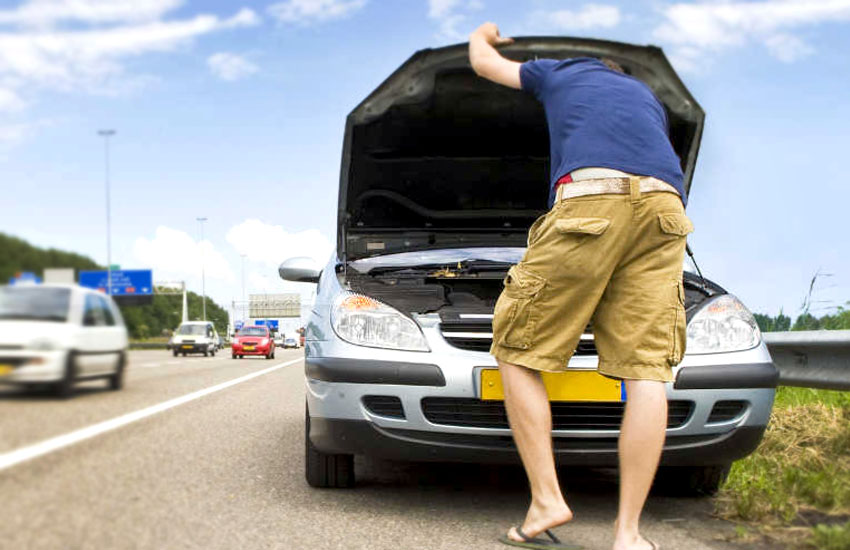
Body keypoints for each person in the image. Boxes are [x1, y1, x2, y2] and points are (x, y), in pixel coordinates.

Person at [468, 22, 694, 550]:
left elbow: (482, 64)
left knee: (518, 349)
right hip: (665, 209)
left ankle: (546, 499)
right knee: (646, 372)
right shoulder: (646, 97)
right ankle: (629, 534)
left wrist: (484, 33)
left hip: (592, 199)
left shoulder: (560, 73)